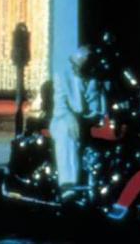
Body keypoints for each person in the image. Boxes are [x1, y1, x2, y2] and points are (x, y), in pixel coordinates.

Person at [49, 45, 105, 201]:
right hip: (63, 119)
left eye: (78, 65)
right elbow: (60, 107)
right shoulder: (62, 76)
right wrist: (71, 117)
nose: (74, 67)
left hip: (88, 121)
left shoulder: (95, 79)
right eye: (73, 63)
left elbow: (98, 107)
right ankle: (68, 186)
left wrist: (92, 119)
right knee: (66, 131)